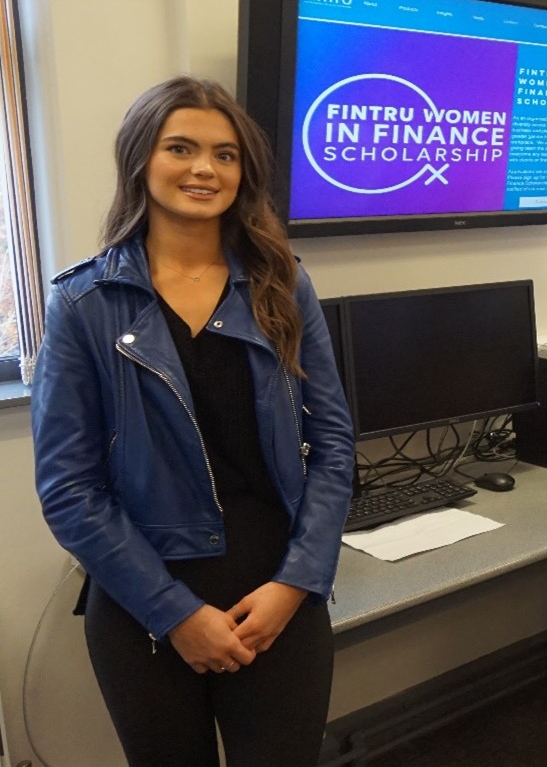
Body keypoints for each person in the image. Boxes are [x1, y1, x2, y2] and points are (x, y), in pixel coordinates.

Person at [32, 77, 355, 767]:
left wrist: (298, 581)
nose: (204, 169)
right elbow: (68, 488)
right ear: (140, 160)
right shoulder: (84, 303)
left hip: (277, 591)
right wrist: (174, 612)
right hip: (143, 603)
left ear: (244, 172)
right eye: (180, 148)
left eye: (224, 154)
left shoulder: (282, 284)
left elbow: (333, 445)